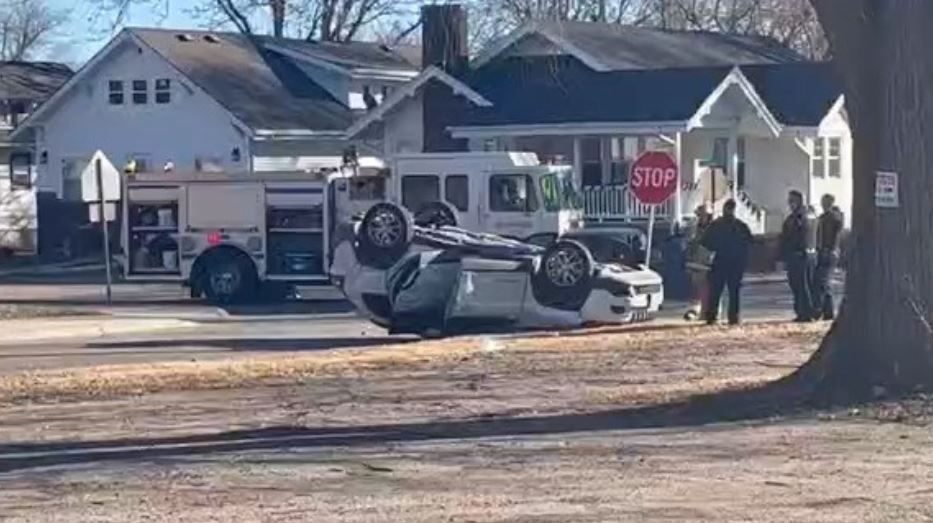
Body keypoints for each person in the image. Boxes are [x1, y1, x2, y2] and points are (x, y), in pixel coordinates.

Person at [701, 199, 752, 325]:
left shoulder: (717, 225)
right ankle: (732, 317)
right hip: (733, 263)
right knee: (731, 291)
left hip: (722, 261)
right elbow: (750, 242)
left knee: (718, 290)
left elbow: (705, 242)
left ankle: (713, 316)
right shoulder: (739, 226)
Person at [780, 190, 818, 322]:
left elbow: (789, 238)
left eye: (791, 201)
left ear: (798, 201)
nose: (789, 204)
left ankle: (804, 312)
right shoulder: (812, 215)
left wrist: (783, 256)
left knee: (800, 285)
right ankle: (809, 311)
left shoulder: (796, 218)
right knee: (809, 284)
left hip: (798, 256)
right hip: (811, 254)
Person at [813, 194, 844, 320]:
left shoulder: (834, 218)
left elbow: (836, 235)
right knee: (823, 282)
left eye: (825, 202)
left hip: (829, 252)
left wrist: (833, 249)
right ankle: (827, 311)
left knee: (823, 281)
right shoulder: (823, 217)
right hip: (823, 251)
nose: (823, 204)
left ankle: (821, 310)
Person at [683, 205, 713, 321]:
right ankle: (698, 311)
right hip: (697, 262)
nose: (700, 218)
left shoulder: (712, 229)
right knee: (697, 288)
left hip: (707, 261)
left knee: (708, 289)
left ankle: (707, 312)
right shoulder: (696, 229)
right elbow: (693, 244)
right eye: (699, 215)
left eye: (702, 215)